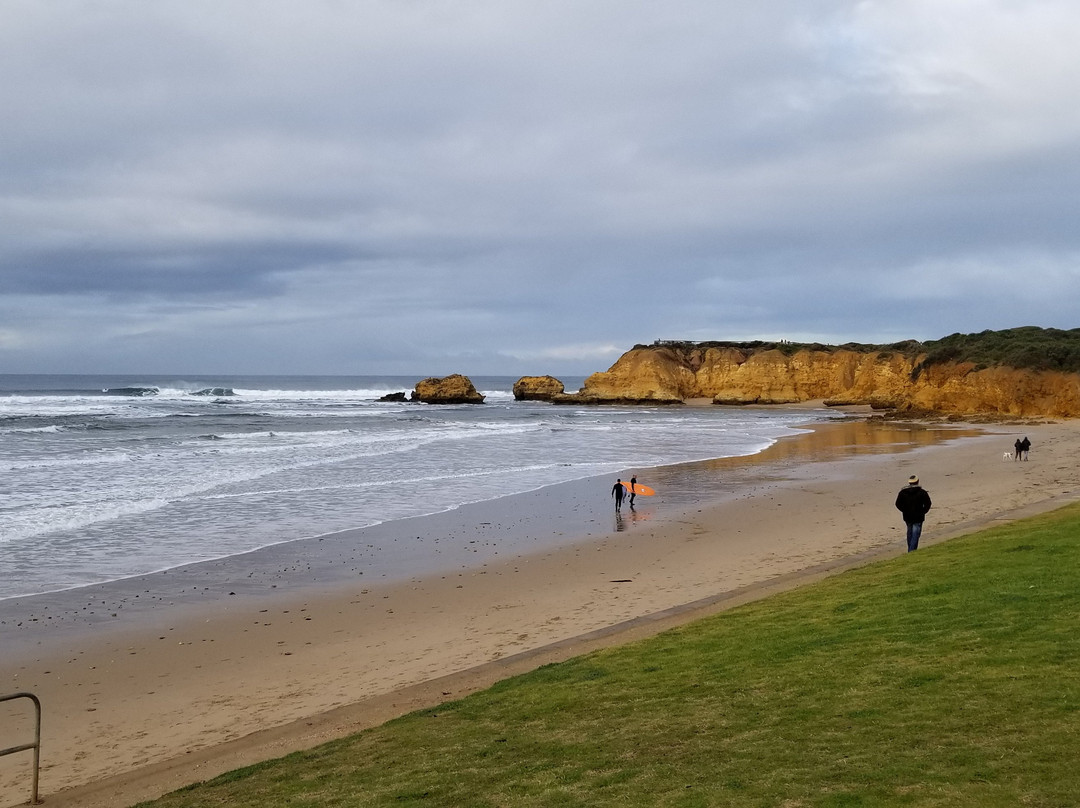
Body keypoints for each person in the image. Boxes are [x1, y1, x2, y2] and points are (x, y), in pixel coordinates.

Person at [895, 474, 932, 552]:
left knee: (910, 532)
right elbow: (928, 503)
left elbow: (898, 504)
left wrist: (904, 510)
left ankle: (910, 548)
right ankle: (912, 550)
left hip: (907, 516)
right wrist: (923, 511)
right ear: (917, 482)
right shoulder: (922, 492)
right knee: (916, 533)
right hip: (918, 516)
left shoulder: (902, 492)